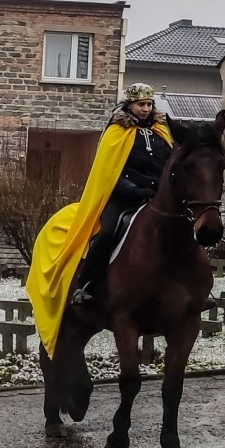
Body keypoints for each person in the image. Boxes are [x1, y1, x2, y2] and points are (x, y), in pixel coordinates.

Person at [24, 83, 172, 357]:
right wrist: (136, 190)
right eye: (141, 104)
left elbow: (169, 167)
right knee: (105, 233)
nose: (146, 109)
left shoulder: (162, 133)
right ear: (129, 106)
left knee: (184, 231)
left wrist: (162, 190)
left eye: (149, 104)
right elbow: (109, 173)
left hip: (156, 199)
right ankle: (87, 285)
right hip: (124, 198)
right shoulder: (117, 133)